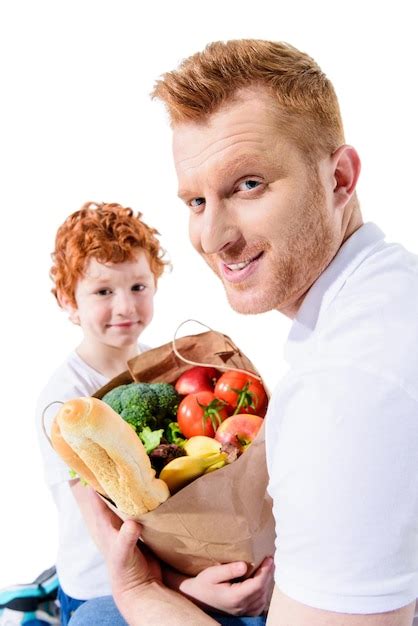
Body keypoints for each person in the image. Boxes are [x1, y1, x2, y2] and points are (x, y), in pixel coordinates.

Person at [73, 40, 418, 625]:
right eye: (196, 200)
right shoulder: (394, 285)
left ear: (339, 177)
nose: (211, 237)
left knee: (97, 617)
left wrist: (142, 593)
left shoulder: (342, 389)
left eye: (248, 185)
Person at [37, 201, 273, 626]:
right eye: (104, 291)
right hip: (106, 581)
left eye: (138, 287)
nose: (126, 306)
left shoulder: (159, 370)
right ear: (68, 301)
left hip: (175, 563)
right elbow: (105, 530)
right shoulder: (65, 399)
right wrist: (186, 588)